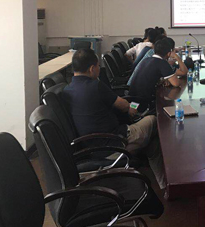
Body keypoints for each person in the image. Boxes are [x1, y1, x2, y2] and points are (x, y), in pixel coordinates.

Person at [63, 48, 166, 188]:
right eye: (98, 66)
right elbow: (124, 106)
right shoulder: (95, 86)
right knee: (154, 119)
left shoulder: (67, 90)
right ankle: (166, 181)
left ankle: (163, 183)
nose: (99, 69)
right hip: (114, 144)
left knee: (151, 141)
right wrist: (131, 109)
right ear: (92, 68)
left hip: (90, 146)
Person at [128, 38, 187, 109]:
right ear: (169, 53)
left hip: (132, 101)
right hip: (143, 103)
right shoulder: (162, 63)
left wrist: (163, 80)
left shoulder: (146, 60)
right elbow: (176, 83)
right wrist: (177, 57)